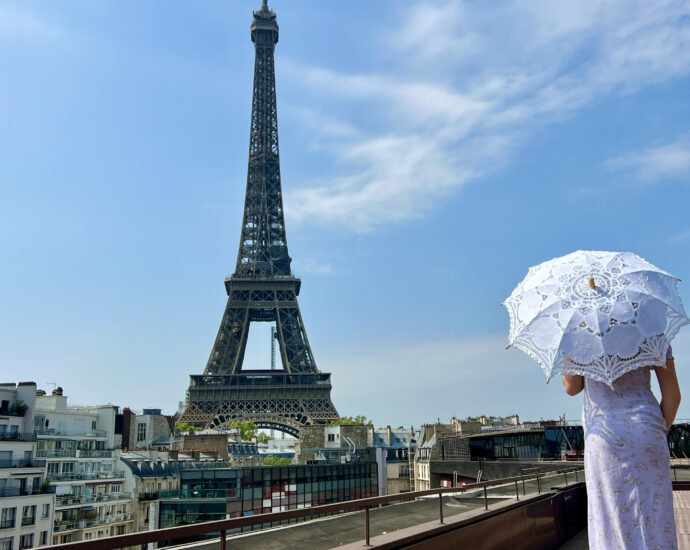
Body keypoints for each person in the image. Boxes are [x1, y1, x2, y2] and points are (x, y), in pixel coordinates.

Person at [562, 346, 681, 549]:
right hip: (648, 433)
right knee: (655, 523)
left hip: (604, 436)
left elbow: (572, 387)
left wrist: (570, 347)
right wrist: (654, 432)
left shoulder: (582, 331)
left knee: (611, 525)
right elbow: (673, 396)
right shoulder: (650, 324)